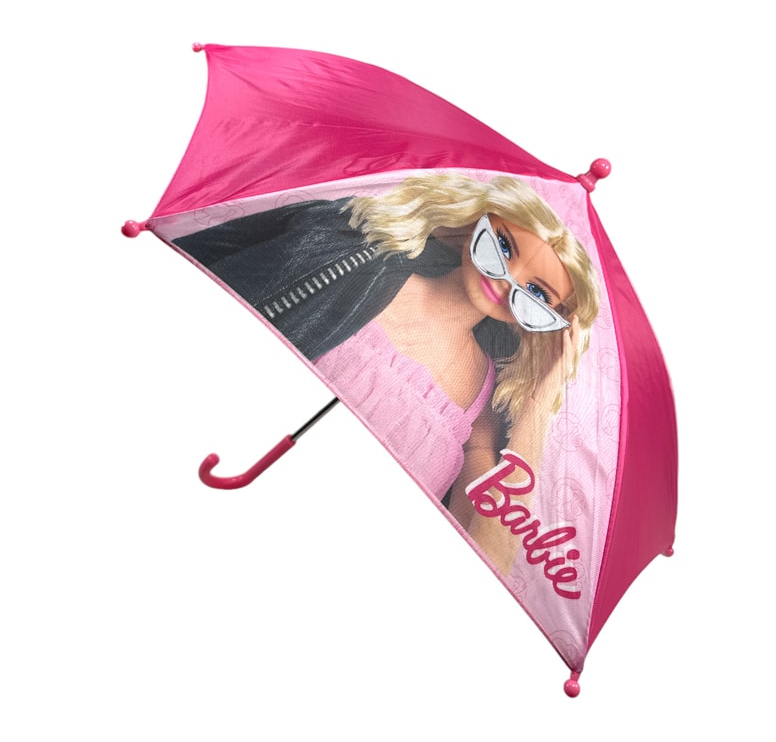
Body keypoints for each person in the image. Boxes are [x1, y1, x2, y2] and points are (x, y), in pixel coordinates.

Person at [175, 171, 600, 571]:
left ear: (552, 320)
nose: (508, 280)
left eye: (536, 293)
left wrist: (540, 404)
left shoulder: (483, 406)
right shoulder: (354, 260)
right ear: (478, 222)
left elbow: (489, 556)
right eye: (503, 247)